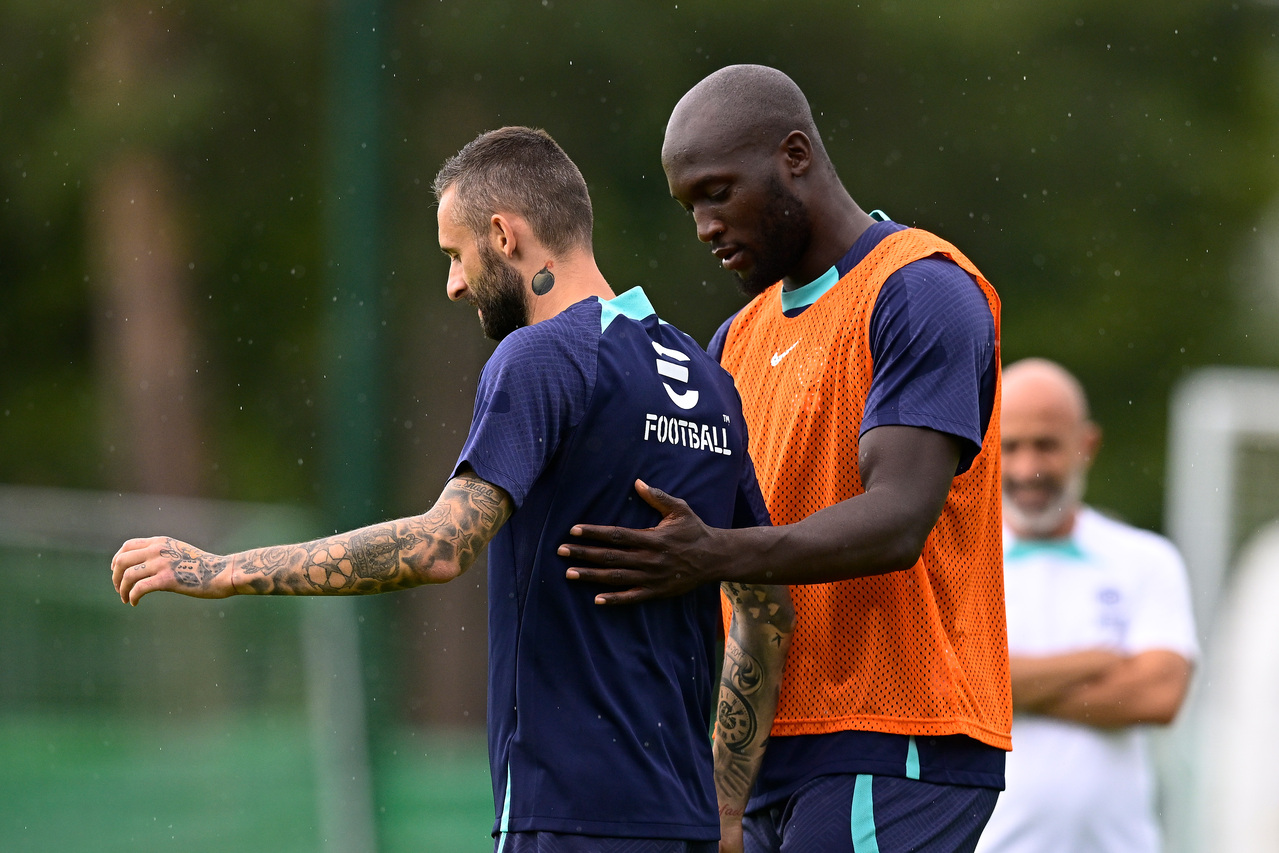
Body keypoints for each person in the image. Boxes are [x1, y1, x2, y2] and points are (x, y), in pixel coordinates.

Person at [110, 126, 793, 853]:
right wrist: (723, 806)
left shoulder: (541, 355)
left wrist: (221, 570)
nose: (454, 283)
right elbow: (765, 604)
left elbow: (440, 546)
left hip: (568, 815)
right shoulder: (708, 379)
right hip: (682, 822)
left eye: (455, 254)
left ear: (504, 235)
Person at [560, 66, 1010, 852]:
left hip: (894, 736)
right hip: (772, 754)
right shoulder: (733, 341)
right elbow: (737, 585)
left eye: (716, 191)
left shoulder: (918, 288)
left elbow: (897, 519)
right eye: (687, 206)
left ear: (794, 155)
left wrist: (709, 554)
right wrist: (725, 793)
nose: (703, 225)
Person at [974, 358, 1197, 853]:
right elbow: (954, 685)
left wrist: (1007, 686)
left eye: (1047, 445)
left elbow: (1158, 697)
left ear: (1086, 446)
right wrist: (1094, 661)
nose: (1028, 467)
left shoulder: (1147, 559)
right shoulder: (959, 561)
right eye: (1010, 446)